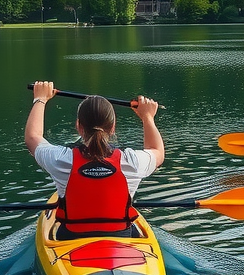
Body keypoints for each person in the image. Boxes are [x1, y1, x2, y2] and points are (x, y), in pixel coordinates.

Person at [25, 80, 163, 238]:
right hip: (122, 237)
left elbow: (32, 137)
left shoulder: (61, 160)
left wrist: (40, 99)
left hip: (72, 237)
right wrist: (147, 117)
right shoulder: (132, 161)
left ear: (79, 126)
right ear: (112, 127)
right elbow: (157, 151)